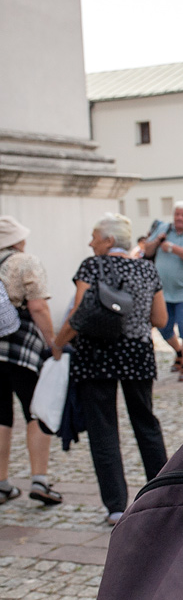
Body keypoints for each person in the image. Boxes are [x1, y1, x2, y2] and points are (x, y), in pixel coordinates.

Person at [52, 213, 169, 526]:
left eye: (94, 236)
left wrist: (57, 342)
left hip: (96, 354)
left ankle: (116, 506)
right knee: (146, 423)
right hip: (137, 354)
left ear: (108, 240)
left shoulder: (91, 266)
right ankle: (164, 495)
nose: (90, 242)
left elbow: (78, 313)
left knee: (103, 429)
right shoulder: (147, 268)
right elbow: (160, 320)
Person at [0, 216, 62, 506]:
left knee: (1, 416)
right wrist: (53, 344)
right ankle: (39, 479)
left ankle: (1, 483)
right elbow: (38, 306)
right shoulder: (25, 261)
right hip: (21, 346)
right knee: (35, 410)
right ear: (18, 239)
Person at [144, 201, 183, 381]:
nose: (179, 218)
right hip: (163, 290)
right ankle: (179, 351)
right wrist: (158, 240)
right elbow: (147, 250)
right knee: (163, 326)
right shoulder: (164, 229)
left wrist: (172, 248)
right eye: (176, 214)